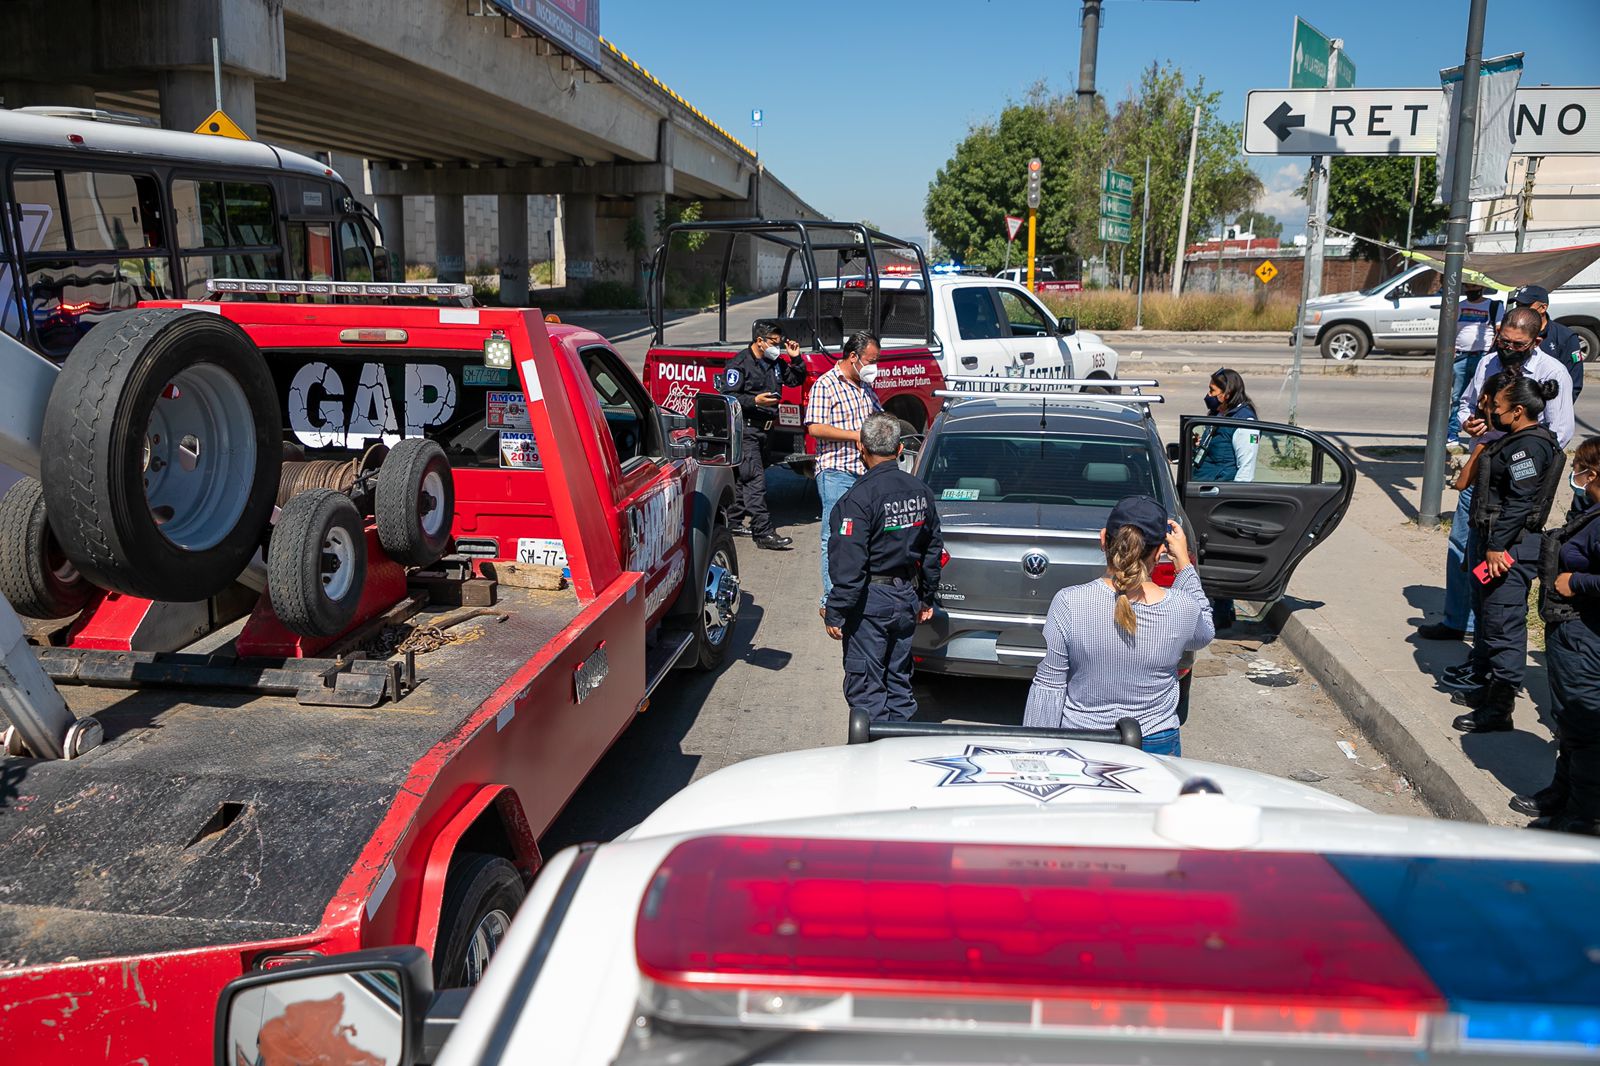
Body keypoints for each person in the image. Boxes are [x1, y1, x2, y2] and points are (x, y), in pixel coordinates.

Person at [1023, 495, 1213, 755]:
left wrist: (1034, 754)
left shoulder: (1069, 602)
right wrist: (1183, 564)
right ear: (1160, 552)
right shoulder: (1183, 606)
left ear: (1103, 540)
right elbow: (1204, 634)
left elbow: (1049, 685)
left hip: (1082, 740)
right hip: (1156, 740)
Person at [1451, 375, 1568, 734]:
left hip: (1511, 548)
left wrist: (1496, 546)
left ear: (1518, 411)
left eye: (1497, 408)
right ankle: (1488, 690)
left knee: (1504, 625)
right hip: (1501, 543)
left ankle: (1500, 708)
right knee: (1489, 616)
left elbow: (1520, 503)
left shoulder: (1527, 448)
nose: (1492, 412)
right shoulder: (1517, 440)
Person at [824, 412, 943, 723]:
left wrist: (837, 610)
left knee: (866, 690)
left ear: (861, 449)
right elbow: (933, 548)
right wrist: (926, 597)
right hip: (905, 599)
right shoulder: (920, 492)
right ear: (900, 450)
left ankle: (870, 759)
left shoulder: (859, 499)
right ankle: (899, 748)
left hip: (870, 604)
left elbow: (849, 563)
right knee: (899, 682)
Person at [1511, 437, 1600, 835]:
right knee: (1569, 722)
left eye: (1579, 469)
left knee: (1585, 731)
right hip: (1575, 633)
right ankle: (1561, 794)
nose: (1575, 476)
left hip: (1586, 635)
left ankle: (1580, 820)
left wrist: (1575, 581)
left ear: (1591, 474)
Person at [1420, 370, 1515, 644]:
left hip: (1501, 518)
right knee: (1466, 554)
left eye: (1490, 408)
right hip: (1485, 504)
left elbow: (1462, 481)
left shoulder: (1498, 446)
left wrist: (1481, 446)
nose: (1486, 415)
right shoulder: (1488, 363)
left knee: (1491, 581)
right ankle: (1465, 626)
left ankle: (1486, 648)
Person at [804, 330, 883, 615]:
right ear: (853, 357)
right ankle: (831, 599)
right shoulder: (826, 385)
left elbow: (878, 418)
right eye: (871, 360)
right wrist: (854, 435)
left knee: (865, 536)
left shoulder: (865, 387)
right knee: (834, 537)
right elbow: (814, 427)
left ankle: (860, 592)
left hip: (865, 473)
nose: (875, 366)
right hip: (836, 471)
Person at [722, 319, 807, 550]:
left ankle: (733, 521)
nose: (777, 347)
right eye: (773, 342)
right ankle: (763, 532)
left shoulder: (775, 362)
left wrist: (795, 357)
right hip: (746, 429)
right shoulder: (739, 364)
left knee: (743, 479)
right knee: (755, 482)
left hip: (766, 431)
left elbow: (795, 379)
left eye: (779, 343)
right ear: (759, 341)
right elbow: (728, 397)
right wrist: (754, 400)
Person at [1190, 367, 1257, 629]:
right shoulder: (1220, 414)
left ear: (1227, 392)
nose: (1208, 395)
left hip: (1220, 496)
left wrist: (1234, 502)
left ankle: (1222, 609)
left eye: (1212, 391)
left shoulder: (1244, 421)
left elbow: (1246, 467)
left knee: (1217, 553)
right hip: (1203, 490)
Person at [1457, 306, 1574, 451]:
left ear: (1536, 342)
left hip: (1525, 458)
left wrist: (1527, 457)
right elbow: (1468, 404)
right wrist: (1467, 424)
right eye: (1504, 341)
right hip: (1484, 454)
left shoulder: (1553, 372)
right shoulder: (1487, 363)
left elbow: (1560, 431)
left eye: (1518, 345)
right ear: (1498, 334)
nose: (1509, 349)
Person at [1443, 281, 1501, 451]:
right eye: (1468, 288)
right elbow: (1451, 330)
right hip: (1461, 357)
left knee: (1483, 398)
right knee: (1457, 398)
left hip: (1483, 357)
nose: (1471, 291)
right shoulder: (1459, 306)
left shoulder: (1493, 306)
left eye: (1474, 288)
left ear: (1481, 288)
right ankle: (1452, 435)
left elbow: (1498, 330)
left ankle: (1484, 432)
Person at [1511, 284, 1583, 400]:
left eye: (1525, 306)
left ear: (1543, 308)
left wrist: (1559, 409)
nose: (1520, 310)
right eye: (1517, 305)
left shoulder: (1565, 337)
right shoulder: (1510, 334)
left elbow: (1574, 382)